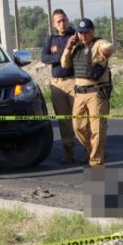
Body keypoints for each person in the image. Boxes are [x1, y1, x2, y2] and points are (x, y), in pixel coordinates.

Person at [60, 18, 113, 167]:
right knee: (78, 127)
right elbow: (64, 64)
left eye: (86, 32)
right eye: (80, 33)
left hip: (96, 94)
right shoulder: (75, 47)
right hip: (79, 94)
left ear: (92, 31)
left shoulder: (98, 43)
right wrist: (68, 47)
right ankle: (93, 151)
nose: (83, 36)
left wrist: (107, 50)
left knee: (97, 130)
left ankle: (96, 162)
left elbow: (109, 46)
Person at [41, 9, 78, 164]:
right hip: (57, 84)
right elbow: (44, 57)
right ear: (54, 24)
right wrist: (61, 56)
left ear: (68, 20)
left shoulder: (76, 36)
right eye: (59, 21)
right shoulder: (51, 39)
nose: (62, 23)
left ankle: (92, 150)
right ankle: (69, 152)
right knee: (64, 119)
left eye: (64, 20)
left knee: (81, 119)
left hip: (75, 81)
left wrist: (61, 54)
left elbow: (78, 55)